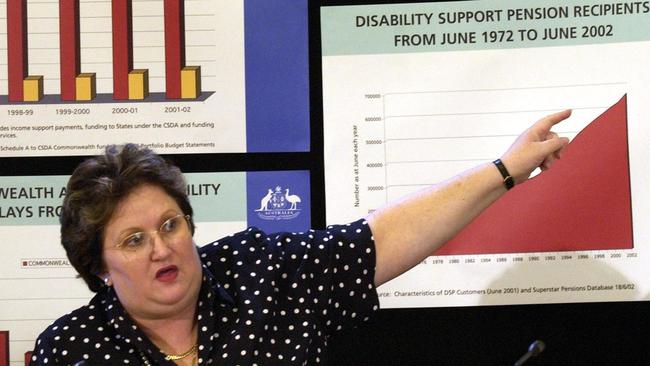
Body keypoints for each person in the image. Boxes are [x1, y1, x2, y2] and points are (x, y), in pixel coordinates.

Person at [29, 110, 571, 365]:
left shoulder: (259, 273)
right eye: (133, 240)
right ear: (98, 267)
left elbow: (381, 238)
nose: (161, 247)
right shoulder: (71, 350)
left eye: (171, 225)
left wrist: (505, 169)